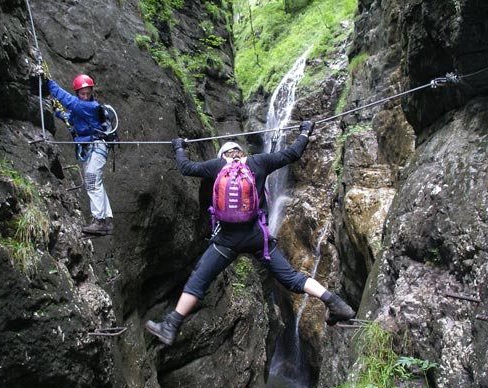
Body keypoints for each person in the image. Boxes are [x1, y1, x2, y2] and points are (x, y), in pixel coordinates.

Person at [145, 121, 356, 345]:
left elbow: (186, 168)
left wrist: (178, 147)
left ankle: (171, 325)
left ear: (223, 155)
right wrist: (305, 131)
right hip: (258, 237)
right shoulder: (259, 162)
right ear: (241, 152)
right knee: (292, 278)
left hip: (227, 241)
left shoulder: (216, 166)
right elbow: (293, 153)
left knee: (198, 280)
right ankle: (335, 303)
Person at [40, 70, 114, 235]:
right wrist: (58, 112)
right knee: (97, 183)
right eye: (83, 93)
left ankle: (99, 221)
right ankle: (107, 221)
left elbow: (67, 100)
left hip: (96, 147)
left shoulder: (90, 106)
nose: (86, 95)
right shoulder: (81, 109)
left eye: (88, 93)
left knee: (91, 182)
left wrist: (49, 82)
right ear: (78, 92)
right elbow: (71, 118)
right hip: (92, 149)